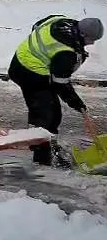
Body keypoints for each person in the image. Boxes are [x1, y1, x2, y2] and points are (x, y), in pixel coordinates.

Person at [7, 14, 103, 167]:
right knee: (46, 112)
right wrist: (77, 103)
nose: (92, 43)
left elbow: (37, 25)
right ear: (83, 34)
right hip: (29, 72)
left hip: (23, 60)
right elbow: (61, 84)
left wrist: (41, 53)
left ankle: (49, 145)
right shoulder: (66, 52)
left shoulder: (59, 20)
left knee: (53, 111)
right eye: (92, 39)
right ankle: (42, 157)